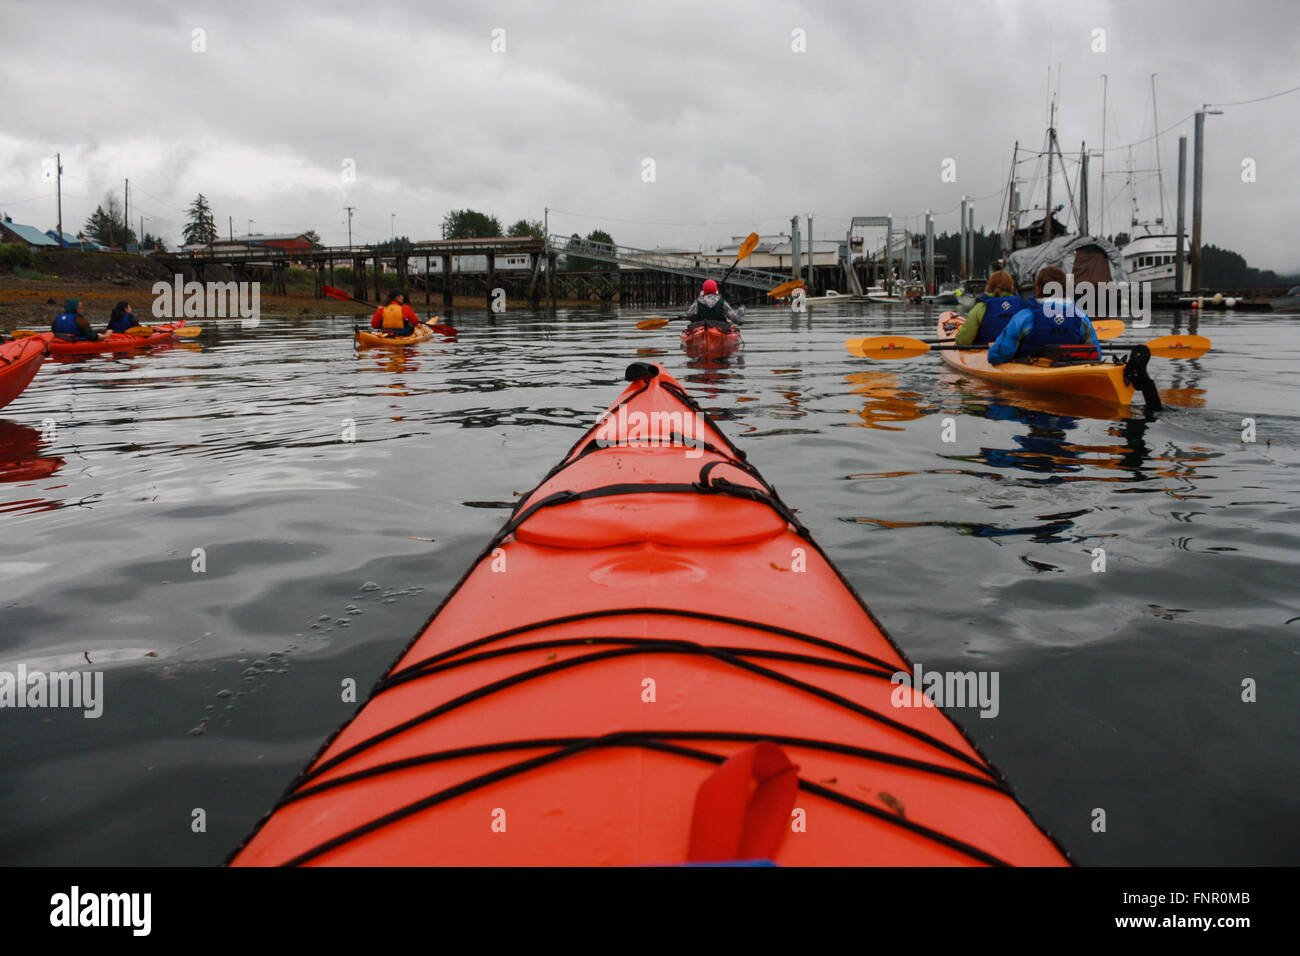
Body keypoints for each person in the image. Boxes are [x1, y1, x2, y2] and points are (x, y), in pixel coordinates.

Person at [987, 266, 1102, 366]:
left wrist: (993, 349)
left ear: (1038, 289)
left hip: (1031, 368)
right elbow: (1096, 354)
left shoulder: (1025, 316)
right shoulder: (1081, 317)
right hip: (1069, 368)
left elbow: (998, 356)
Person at [952, 271, 1031, 346]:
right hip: (1017, 354)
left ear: (989, 287)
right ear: (1012, 287)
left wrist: (959, 338)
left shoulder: (982, 307)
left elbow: (963, 341)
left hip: (985, 351)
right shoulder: (1023, 306)